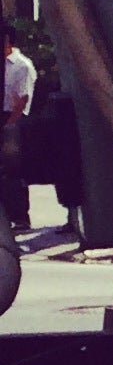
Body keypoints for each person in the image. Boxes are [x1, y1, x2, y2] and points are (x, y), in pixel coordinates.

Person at [0, 20, 34, 234]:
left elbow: (22, 100)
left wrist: (8, 127)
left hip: (12, 121)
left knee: (13, 172)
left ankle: (21, 217)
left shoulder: (21, 65)